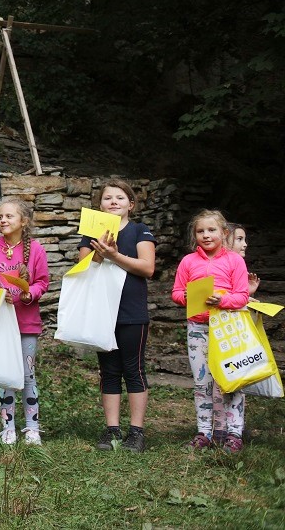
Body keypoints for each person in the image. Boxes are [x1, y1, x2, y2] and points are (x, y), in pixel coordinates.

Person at [77, 180, 157, 453]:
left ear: (130, 204)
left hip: (132, 312)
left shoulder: (140, 230)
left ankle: (136, 432)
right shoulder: (91, 233)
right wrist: (100, 254)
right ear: (99, 205)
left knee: (134, 369)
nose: (113, 201)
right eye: (107, 198)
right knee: (109, 371)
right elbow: (83, 268)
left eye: (120, 197)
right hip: (103, 312)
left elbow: (147, 268)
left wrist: (114, 254)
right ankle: (112, 429)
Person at [171, 209, 249, 453]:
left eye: (211, 230)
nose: (206, 235)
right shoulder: (188, 261)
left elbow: (242, 296)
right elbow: (176, 293)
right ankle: (204, 431)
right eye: (200, 231)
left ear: (224, 233)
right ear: (195, 235)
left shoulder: (234, 261)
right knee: (201, 383)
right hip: (198, 328)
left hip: (227, 328)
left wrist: (222, 300)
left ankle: (234, 433)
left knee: (232, 381)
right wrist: (185, 297)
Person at [0, 197, 49, 445]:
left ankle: (32, 428)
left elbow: (42, 282)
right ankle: (8, 428)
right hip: (1, 323)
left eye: (9, 216)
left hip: (27, 323)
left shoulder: (36, 250)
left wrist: (30, 294)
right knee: (4, 374)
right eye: (0, 216)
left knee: (28, 375)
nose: (3, 220)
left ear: (24, 221)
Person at [227, 223, 260, 297]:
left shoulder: (239, 264)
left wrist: (247, 292)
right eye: (239, 239)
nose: (245, 244)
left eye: (244, 240)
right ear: (224, 240)